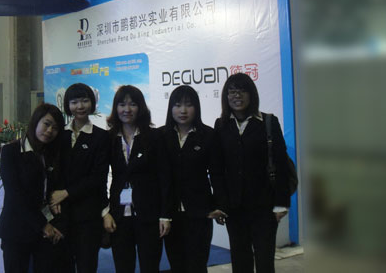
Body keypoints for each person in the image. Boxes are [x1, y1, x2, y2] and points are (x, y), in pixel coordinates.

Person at [212, 73, 290, 273]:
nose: (237, 96)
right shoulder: (221, 125)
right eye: (232, 91)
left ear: (252, 94)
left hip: (264, 206)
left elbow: (281, 164)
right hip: (234, 207)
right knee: (240, 260)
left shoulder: (268, 122)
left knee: (265, 261)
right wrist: (220, 203)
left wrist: (281, 203)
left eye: (242, 91)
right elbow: (217, 169)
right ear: (226, 96)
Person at [103, 85, 173, 273]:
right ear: (115, 108)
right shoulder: (109, 138)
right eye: (122, 104)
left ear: (140, 107)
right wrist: (105, 212)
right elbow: (99, 177)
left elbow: (165, 177)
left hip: (148, 215)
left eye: (133, 104)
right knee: (123, 267)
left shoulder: (154, 137)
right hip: (119, 216)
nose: (127, 109)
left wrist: (165, 215)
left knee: (150, 266)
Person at [160, 85, 225, 273]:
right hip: (170, 213)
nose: (183, 110)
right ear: (171, 108)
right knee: (176, 264)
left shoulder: (208, 135)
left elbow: (217, 173)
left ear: (196, 108)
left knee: (197, 265)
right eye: (177, 105)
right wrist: (162, 213)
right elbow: (160, 176)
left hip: (199, 213)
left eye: (188, 105)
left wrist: (219, 204)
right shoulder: (161, 136)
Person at [0, 103, 65, 273]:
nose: (49, 131)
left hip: (45, 232)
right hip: (17, 228)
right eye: (46, 124)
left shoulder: (52, 153)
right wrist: (43, 225)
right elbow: (15, 195)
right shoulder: (11, 151)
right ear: (35, 121)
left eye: (55, 128)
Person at [49, 83, 109, 273]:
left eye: (85, 101)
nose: (80, 106)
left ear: (92, 103)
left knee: (86, 266)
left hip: (88, 216)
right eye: (74, 102)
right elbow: (53, 171)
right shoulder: (59, 135)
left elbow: (98, 178)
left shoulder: (101, 137)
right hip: (61, 214)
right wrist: (54, 197)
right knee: (62, 265)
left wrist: (65, 193)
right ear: (67, 105)